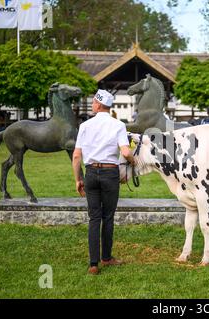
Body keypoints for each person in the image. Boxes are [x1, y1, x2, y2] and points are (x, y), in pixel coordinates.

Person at [72, 89, 135, 275]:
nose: (92, 105)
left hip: (90, 173)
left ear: (99, 105)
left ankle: (93, 264)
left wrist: (78, 179)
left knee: (94, 218)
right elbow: (125, 152)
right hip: (110, 174)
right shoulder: (118, 125)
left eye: (93, 102)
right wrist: (133, 162)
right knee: (108, 217)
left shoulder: (85, 126)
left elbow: (76, 156)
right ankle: (106, 258)